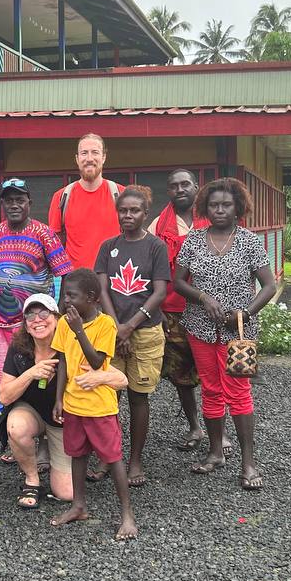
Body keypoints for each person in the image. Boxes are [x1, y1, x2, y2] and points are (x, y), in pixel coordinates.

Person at [173, 178, 278, 490]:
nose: (219, 210)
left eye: (226, 205)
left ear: (238, 208)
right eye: (214, 205)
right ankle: (216, 451)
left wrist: (244, 314)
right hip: (200, 328)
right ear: (205, 208)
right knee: (211, 389)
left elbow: (269, 285)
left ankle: (248, 462)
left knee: (239, 392)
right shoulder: (193, 240)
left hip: (240, 331)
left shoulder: (249, 241)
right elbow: (179, 282)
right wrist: (204, 298)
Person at [0, 293, 128, 509]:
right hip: (32, 413)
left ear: (57, 317)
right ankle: (32, 479)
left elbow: (122, 380)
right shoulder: (20, 349)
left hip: (63, 421)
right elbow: (4, 396)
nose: (37, 319)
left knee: (66, 493)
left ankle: (50, 448)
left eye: (44, 313)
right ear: (26, 325)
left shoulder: (74, 344)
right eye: (30, 315)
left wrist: (100, 376)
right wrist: (31, 373)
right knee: (15, 425)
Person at [0, 177, 75, 465]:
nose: (14, 204)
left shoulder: (44, 234)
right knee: (8, 382)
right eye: (8, 199)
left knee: (44, 379)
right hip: (2, 324)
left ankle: (47, 441)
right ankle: (13, 438)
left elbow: (66, 273)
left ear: (29, 203)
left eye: (19, 199)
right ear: (2, 204)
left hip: (37, 327)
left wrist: (56, 317)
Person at [49, 269, 137, 541]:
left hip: (100, 407)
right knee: (77, 454)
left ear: (91, 298)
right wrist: (59, 397)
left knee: (112, 458)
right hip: (74, 404)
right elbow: (63, 360)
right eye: (65, 295)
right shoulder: (64, 323)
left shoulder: (106, 325)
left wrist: (79, 332)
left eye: (72, 296)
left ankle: (127, 515)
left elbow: (98, 361)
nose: (66, 301)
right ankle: (79, 505)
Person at [94, 186, 170, 487]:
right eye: (123, 210)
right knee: (108, 397)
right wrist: (117, 327)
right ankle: (107, 455)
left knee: (138, 398)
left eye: (134, 210)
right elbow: (101, 289)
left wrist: (131, 326)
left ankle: (135, 459)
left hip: (146, 331)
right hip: (111, 331)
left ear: (145, 214)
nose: (127, 215)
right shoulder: (108, 246)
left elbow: (160, 291)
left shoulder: (155, 247)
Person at [153, 169, 210, 450]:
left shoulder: (213, 220)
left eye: (185, 184)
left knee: (214, 372)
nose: (180, 189)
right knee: (181, 375)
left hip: (209, 311)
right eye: (173, 186)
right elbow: (147, 268)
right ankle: (195, 426)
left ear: (196, 187)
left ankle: (219, 431)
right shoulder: (157, 226)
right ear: (168, 191)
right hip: (172, 311)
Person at [47, 133, 123, 269]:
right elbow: (54, 246)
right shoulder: (61, 197)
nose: (89, 158)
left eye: (95, 152)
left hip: (114, 281)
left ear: (104, 157)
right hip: (76, 282)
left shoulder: (121, 194)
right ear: (77, 158)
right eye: (84, 153)